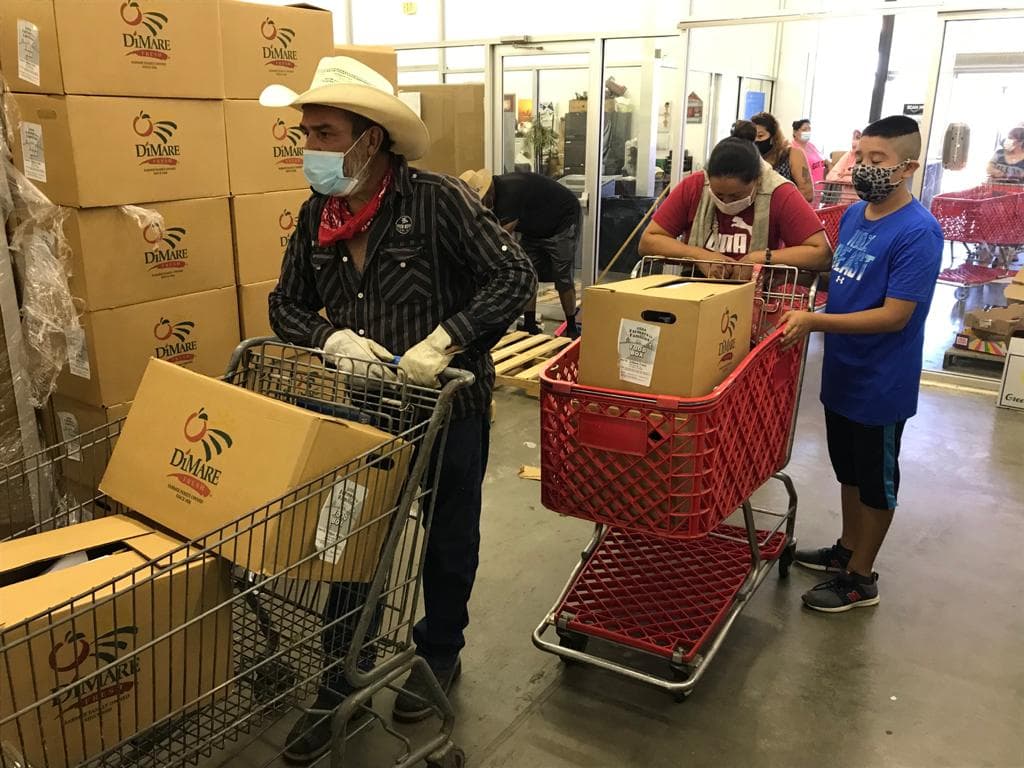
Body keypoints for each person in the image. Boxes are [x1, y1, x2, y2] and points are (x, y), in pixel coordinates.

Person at [263, 57, 536, 762]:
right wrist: (331, 339)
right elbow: (285, 304)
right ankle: (338, 678)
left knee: (446, 539)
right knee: (351, 544)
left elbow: (515, 275)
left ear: (371, 140)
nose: (309, 148)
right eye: (305, 134)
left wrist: (446, 340)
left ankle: (438, 651)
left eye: (324, 134)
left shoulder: (438, 201)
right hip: (368, 416)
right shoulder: (317, 216)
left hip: (449, 408)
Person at [779, 115, 943, 613]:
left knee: (875, 483)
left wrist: (815, 321)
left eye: (879, 160)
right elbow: (844, 280)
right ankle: (847, 550)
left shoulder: (918, 232)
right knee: (848, 472)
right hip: (843, 372)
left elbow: (895, 316)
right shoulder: (854, 216)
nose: (864, 168)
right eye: (861, 157)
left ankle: (861, 578)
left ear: (908, 167)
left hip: (881, 383)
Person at [638, 137, 832, 276]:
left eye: (736, 196)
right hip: (695, 290)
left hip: (755, 299)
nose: (726, 202)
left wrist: (760, 259)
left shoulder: (779, 193)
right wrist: (698, 255)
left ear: (757, 181)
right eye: (719, 194)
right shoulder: (694, 186)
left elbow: (821, 254)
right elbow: (648, 241)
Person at [459, 168, 582, 337]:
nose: (480, 205)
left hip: (561, 221)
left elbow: (499, 238)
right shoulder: (491, 199)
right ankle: (530, 325)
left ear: (489, 190)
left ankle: (572, 327)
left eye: (481, 199)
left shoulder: (510, 192)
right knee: (528, 273)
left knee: (562, 276)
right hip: (534, 226)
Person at [751, 111, 815, 203]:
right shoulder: (751, 158)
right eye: (752, 137)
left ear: (773, 137)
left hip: (787, 208)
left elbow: (807, 193)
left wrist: (777, 205)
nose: (756, 140)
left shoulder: (792, 154)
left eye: (760, 136)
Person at [793, 118, 828, 185]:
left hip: (819, 186)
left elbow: (822, 160)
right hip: (807, 187)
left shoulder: (811, 145)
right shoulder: (793, 149)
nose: (807, 132)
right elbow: (801, 174)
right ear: (795, 133)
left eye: (809, 129)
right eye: (804, 130)